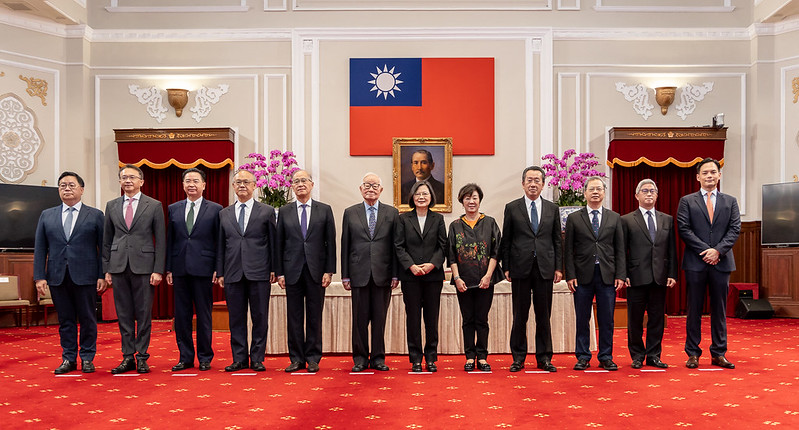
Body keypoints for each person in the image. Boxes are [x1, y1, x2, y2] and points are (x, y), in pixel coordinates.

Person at [33, 171, 106, 374]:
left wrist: (102, 275)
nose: (67, 189)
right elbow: (40, 248)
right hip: (57, 275)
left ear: (82, 189)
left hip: (86, 276)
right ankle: (68, 358)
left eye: (71, 185)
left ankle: (87, 357)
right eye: (62, 185)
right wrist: (39, 276)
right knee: (65, 320)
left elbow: (104, 248)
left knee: (88, 319)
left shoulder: (95, 215)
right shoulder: (47, 215)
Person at [677, 158, 740, 369]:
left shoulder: (730, 201)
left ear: (719, 175)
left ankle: (719, 353)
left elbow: (734, 230)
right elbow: (684, 229)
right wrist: (706, 251)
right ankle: (693, 353)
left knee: (719, 310)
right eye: (705, 173)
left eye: (713, 172)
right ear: (698, 177)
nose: (709, 176)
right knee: (694, 309)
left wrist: (718, 251)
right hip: (695, 262)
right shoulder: (687, 201)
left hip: (722, 262)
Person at [103, 164, 166, 374]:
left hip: (145, 267)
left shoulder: (154, 205)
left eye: (132, 177)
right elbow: (106, 240)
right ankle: (127, 356)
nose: (127, 181)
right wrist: (107, 268)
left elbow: (161, 240)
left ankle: (142, 356)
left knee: (143, 314)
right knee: (123, 314)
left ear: (141, 181)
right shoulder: (112, 205)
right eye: (124, 177)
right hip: (118, 265)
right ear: (119, 181)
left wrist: (158, 269)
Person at [500, 166, 563, 373]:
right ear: (523, 183)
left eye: (537, 180)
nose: (533, 184)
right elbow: (506, 240)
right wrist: (506, 266)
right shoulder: (512, 207)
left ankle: (544, 358)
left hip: (545, 268)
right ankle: (518, 358)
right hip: (520, 268)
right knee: (520, 315)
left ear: (543, 184)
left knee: (543, 316)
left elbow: (557, 240)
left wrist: (558, 268)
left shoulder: (552, 209)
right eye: (529, 180)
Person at [216, 169, 277, 372]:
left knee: (260, 317)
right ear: (233, 186)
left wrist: (274, 268)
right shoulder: (224, 213)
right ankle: (239, 358)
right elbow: (220, 245)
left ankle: (257, 358)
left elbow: (273, 242)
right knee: (236, 318)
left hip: (259, 271)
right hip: (232, 272)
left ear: (254, 186)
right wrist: (220, 271)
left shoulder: (266, 211)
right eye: (238, 182)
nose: (242, 185)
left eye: (246, 182)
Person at [276, 170, 336, 374]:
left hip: (316, 271)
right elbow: (279, 244)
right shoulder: (285, 211)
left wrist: (329, 270)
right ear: (292, 186)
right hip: (291, 271)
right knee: (293, 317)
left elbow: (330, 242)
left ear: (311, 184)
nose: (300, 184)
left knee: (314, 316)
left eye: (304, 180)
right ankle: (296, 359)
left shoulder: (324, 210)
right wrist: (280, 273)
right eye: (296, 181)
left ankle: (312, 358)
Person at [565, 176, 625, 371]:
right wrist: (570, 275)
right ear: (585, 193)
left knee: (607, 319)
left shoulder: (614, 217)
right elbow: (568, 250)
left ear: (604, 193)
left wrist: (620, 275)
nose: (596, 192)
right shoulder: (574, 218)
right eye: (592, 189)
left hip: (607, 275)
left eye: (599, 189)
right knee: (582, 318)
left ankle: (606, 356)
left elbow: (620, 249)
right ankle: (583, 356)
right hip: (582, 276)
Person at [341, 172, 399, 372]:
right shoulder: (350, 212)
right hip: (358, 274)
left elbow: (395, 246)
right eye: (367, 185)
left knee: (379, 319)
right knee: (359, 320)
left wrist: (395, 274)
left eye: (375, 186)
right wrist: (345, 275)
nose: (371, 189)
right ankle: (359, 358)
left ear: (381, 190)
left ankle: (378, 358)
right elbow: (345, 245)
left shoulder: (392, 213)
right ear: (361, 189)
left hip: (383, 274)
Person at [165, 168, 222, 372]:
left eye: (196, 181)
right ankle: (185, 357)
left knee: (204, 315)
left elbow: (219, 242)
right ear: (182, 185)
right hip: (179, 269)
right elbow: (170, 240)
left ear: (204, 185)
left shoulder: (215, 209)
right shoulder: (173, 208)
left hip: (204, 268)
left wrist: (218, 268)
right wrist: (168, 268)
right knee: (182, 316)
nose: (191, 184)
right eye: (187, 181)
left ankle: (205, 357)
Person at [621, 179, 677, 369]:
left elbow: (671, 249)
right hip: (635, 277)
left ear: (657, 195)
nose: (649, 194)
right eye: (645, 191)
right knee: (635, 319)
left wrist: (672, 273)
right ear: (636, 195)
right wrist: (623, 274)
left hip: (660, 276)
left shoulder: (667, 219)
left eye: (652, 191)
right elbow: (622, 250)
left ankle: (654, 355)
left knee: (657, 318)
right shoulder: (627, 220)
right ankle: (637, 355)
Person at [447, 183, 503, 372]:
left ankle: (483, 357)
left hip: (485, 280)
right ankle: (470, 357)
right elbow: (451, 255)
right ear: (462, 201)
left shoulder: (490, 223)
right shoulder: (455, 226)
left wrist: (488, 276)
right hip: (463, 280)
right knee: (467, 320)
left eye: (474, 198)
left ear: (480, 200)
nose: (471, 201)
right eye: (467, 198)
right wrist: (457, 278)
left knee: (482, 319)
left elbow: (496, 252)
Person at [394, 180, 447, 373]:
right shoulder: (403, 219)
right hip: (411, 277)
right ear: (412, 197)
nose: (421, 197)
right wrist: (411, 266)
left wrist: (433, 264)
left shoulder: (438, 219)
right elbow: (398, 246)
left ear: (431, 196)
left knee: (432, 319)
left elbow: (443, 246)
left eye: (425, 193)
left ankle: (431, 358)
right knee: (413, 318)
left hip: (433, 277)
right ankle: (415, 358)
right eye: (418, 194)